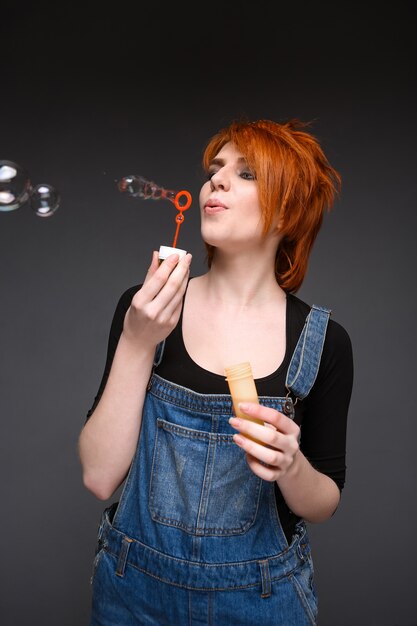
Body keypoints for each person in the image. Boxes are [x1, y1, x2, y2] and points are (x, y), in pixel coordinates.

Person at [78, 118, 354, 625]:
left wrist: (292, 467)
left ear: (286, 211)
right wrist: (138, 342)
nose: (216, 181)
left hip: (262, 599)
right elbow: (98, 477)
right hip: (132, 594)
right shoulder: (144, 311)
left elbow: (324, 501)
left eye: (245, 173)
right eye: (215, 169)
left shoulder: (324, 343)